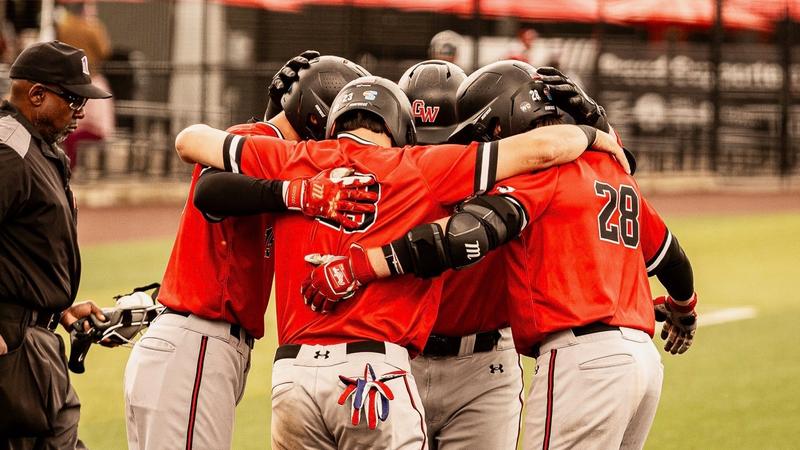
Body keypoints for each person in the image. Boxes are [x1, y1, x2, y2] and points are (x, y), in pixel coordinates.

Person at [176, 70, 628, 448]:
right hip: (378, 372)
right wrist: (595, 130)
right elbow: (553, 153)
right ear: (400, 125)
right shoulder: (420, 166)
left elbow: (191, 141)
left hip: (293, 377)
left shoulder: (297, 158)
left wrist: (293, 191)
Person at [302, 60, 698, 450]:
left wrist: (359, 265)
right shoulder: (605, 168)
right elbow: (669, 257)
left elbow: (460, 237)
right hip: (407, 359)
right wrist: (680, 306)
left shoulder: (530, 172)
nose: (440, 147)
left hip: (514, 364)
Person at [122, 53, 375, 450]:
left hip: (200, 346)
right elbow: (211, 190)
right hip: (200, 341)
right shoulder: (259, 140)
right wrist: (296, 194)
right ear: (316, 118)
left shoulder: (275, 151)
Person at [397, 59, 525, 449]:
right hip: (399, 360)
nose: (433, 152)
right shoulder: (385, 174)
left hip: (484, 367)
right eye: (421, 141)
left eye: (446, 139)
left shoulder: (509, 172)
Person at [0, 40, 111, 449]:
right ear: (36, 95)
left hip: (41, 346)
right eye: (73, 99)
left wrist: (59, 307)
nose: (80, 111)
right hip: (15, 354)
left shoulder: (38, 147)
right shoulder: (8, 151)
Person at [56, 1, 114, 170]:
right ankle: (93, 168)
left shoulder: (63, 26)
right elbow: (105, 51)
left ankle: (69, 164)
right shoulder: (92, 27)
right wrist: (94, 25)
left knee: (70, 126)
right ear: (85, 9)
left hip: (67, 80)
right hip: (91, 78)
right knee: (100, 128)